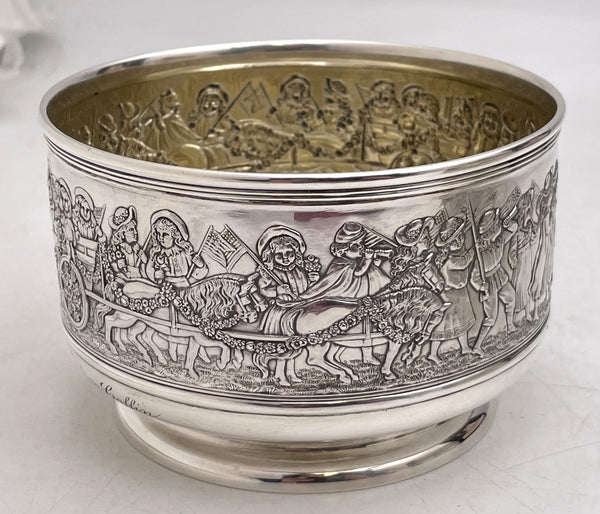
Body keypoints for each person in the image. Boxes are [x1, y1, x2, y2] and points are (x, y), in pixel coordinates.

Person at [301, 222, 391, 364]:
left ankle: (367, 355)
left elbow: (372, 271)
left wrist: (376, 260)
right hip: (351, 293)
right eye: (356, 246)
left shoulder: (357, 260)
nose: (361, 249)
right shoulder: (341, 263)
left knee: (368, 322)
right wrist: (368, 259)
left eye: (361, 245)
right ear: (342, 250)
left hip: (368, 292)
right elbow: (359, 272)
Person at [426, 216, 476, 364]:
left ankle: (465, 347)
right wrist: (474, 249)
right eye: (455, 240)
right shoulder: (449, 260)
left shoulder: (457, 255)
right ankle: (432, 353)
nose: (460, 241)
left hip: (460, 293)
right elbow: (463, 263)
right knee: (442, 325)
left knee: (462, 320)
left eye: (460, 237)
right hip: (448, 295)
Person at [256, 226, 320, 335]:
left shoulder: (300, 271)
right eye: (279, 254)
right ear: (271, 255)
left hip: (302, 308)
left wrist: (313, 281)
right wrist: (277, 290)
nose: (285, 257)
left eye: (289, 253)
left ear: (296, 253)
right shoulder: (271, 273)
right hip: (281, 310)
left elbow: (307, 289)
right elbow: (262, 290)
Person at [470, 208, 518, 354]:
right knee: (491, 317)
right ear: (490, 230)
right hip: (488, 283)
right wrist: (480, 286)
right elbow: (474, 277)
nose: (498, 225)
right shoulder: (480, 254)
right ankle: (477, 346)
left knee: (511, 297)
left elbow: (512, 230)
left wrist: (509, 224)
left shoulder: (498, 242)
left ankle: (510, 325)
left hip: (499, 275)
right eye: (496, 224)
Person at [145, 210, 207, 288]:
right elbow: (149, 270)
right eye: (158, 233)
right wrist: (154, 274)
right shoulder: (156, 253)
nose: (160, 237)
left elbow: (196, 273)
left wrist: (201, 265)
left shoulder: (184, 253)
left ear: (175, 235)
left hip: (184, 287)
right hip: (164, 288)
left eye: (165, 234)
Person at [106, 205, 147, 281]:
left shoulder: (136, 249)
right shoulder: (116, 250)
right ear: (122, 234)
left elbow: (143, 273)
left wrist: (144, 261)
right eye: (131, 230)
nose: (136, 232)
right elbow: (117, 273)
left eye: (135, 229)